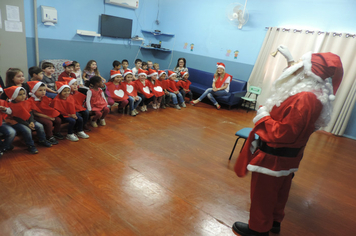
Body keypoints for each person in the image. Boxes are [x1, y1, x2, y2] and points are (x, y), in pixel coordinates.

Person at [232, 45, 343, 236]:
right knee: (280, 191)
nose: (297, 66)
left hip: (273, 156)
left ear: (309, 72)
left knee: (263, 194)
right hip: (289, 156)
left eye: (302, 64)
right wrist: (290, 62)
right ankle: (274, 222)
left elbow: (283, 134)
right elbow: (291, 79)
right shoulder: (312, 92)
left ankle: (258, 229)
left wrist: (263, 116)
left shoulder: (304, 98)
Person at [4, 86, 52, 154]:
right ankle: (30, 146)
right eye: (20, 94)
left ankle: (42, 140)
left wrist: (31, 121)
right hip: (17, 122)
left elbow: (30, 112)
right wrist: (28, 124)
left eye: (24, 93)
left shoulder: (26, 102)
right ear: (14, 96)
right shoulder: (11, 105)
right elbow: (17, 118)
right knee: (27, 130)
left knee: (40, 126)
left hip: (28, 120)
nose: (23, 96)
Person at [0, 86, 16, 155]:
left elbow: (10, 112)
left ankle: (4, 147)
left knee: (12, 132)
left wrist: (5, 109)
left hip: (1, 123)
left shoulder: (2, 102)